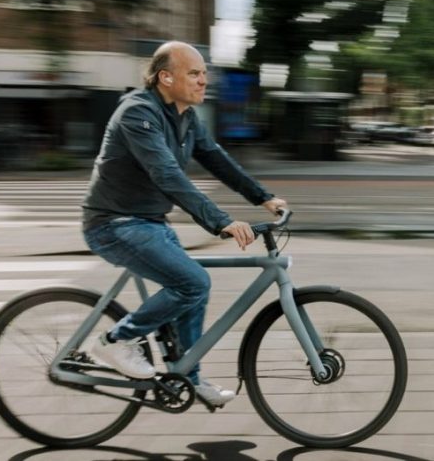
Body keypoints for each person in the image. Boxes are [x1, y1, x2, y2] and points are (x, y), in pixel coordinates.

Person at [82, 41, 287, 407]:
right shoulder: (137, 113)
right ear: (165, 77)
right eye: (194, 73)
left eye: (204, 73)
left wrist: (263, 197)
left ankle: (187, 378)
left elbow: (217, 160)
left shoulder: (186, 119)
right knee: (192, 282)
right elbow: (168, 175)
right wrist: (220, 222)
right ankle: (115, 342)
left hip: (149, 222)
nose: (204, 80)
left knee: (192, 288)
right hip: (114, 223)